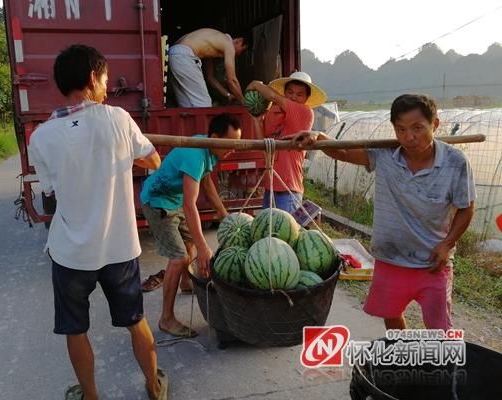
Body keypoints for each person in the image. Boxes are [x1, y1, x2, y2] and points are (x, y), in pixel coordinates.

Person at [28, 44, 168, 400]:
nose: (106, 87)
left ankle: (90, 396)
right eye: (105, 80)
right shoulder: (118, 119)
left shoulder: (41, 136)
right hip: (119, 248)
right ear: (92, 78)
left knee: (75, 329)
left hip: (71, 252)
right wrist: (126, 153)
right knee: (135, 320)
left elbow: (51, 190)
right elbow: (153, 162)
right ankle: (153, 386)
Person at [294, 94, 476, 331]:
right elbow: (344, 153)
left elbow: (466, 208)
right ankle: (404, 353)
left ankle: (442, 366)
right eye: (400, 129)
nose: (408, 137)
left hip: (432, 263)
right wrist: (318, 138)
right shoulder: (385, 154)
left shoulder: (455, 162)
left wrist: (447, 244)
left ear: (435, 124)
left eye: (417, 128)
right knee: (391, 314)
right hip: (390, 259)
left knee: (440, 327)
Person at [140, 114, 242, 337]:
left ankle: (186, 284)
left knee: (189, 245)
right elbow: (190, 204)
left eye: (236, 144)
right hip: (157, 201)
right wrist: (204, 246)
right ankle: (166, 319)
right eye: (229, 144)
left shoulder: (208, 147)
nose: (232, 149)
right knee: (178, 259)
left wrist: (223, 213)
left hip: (174, 200)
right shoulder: (196, 155)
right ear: (215, 137)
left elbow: (206, 183)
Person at [246, 71, 327, 213]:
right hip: (270, 186)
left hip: (289, 189)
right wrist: (257, 120)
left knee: (286, 233)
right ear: (284, 92)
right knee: (268, 232)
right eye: (290, 92)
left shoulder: (304, 112)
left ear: (307, 98)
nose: (294, 97)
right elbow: (264, 144)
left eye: (299, 94)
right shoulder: (274, 113)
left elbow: (272, 96)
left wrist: (256, 85)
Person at [168, 28, 251, 107]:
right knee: (203, 104)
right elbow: (232, 80)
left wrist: (228, 94)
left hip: (173, 54)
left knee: (187, 106)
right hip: (184, 56)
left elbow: (210, 78)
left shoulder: (213, 42)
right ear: (239, 41)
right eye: (242, 50)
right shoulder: (228, 44)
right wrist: (243, 102)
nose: (239, 54)